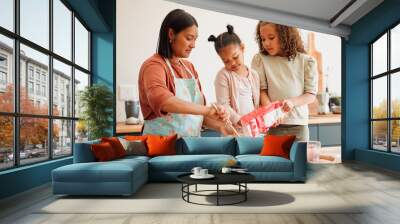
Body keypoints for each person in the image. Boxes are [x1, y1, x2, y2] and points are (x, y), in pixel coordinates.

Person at [138, 9, 233, 137]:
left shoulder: (189, 68)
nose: (193, 45)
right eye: (189, 38)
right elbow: (164, 102)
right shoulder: (154, 66)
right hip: (162, 149)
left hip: (190, 146)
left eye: (195, 39)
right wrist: (208, 110)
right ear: (171, 34)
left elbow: (194, 116)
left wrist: (221, 126)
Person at [251, 21, 318, 141]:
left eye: (271, 38)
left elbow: (310, 95)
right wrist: (272, 113)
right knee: (272, 160)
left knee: (298, 160)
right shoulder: (260, 59)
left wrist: (292, 102)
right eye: (263, 39)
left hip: (299, 126)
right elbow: (262, 91)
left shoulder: (306, 61)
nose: (266, 43)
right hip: (273, 125)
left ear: (285, 35)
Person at [209, 25, 260, 136]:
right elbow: (223, 104)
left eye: (235, 57)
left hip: (253, 131)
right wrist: (239, 120)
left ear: (242, 48)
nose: (232, 63)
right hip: (233, 132)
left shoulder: (254, 75)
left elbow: (256, 103)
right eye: (226, 61)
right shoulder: (223, 76)